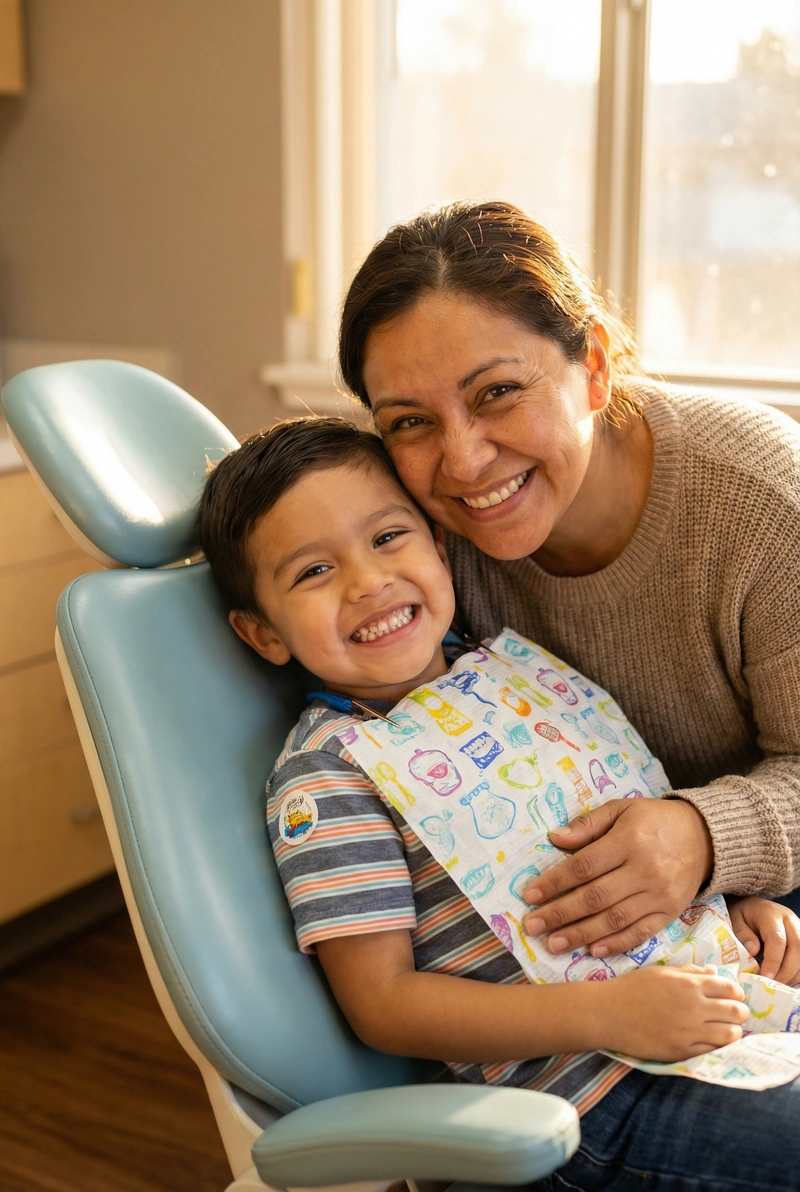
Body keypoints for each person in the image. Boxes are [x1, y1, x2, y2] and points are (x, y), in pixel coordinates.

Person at [197, 416, 800, 1192]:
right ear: (262, 633)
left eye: (388, 538)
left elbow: (640, 831)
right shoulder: (329, 778)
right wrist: (608, 1015)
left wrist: (729, 909)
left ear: (438, 545)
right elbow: (382, 1004)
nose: (369, 582)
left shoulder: (513, 674)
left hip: (712, 1006)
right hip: (588, 1101)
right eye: (313, 572)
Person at [338, 200, 800, 975]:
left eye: (496, 393)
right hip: (622, 926)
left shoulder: (764, 503)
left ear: (593, 367)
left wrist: (707, 842)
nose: (463, 461)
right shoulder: (413, 540)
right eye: (411, 423)